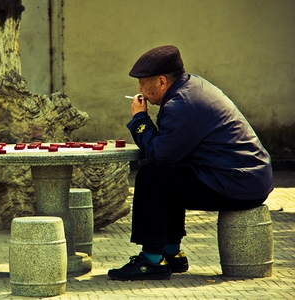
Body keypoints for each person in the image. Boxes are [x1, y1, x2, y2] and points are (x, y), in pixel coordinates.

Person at [108, 45, 273, 281]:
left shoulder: (181, 105)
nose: (140, 89)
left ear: (162, 82)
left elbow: (159, 155)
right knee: (170, 175)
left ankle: (151, 260)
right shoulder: (193, 86)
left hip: (237, 184)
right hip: (249, 178)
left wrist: (140, 119)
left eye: (143, 83)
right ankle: (171, 253)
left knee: (151, 177)